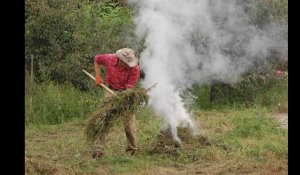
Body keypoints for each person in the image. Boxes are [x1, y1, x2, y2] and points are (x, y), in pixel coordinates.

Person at [92, 48, 140, 158]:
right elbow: (96, 59)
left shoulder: (135, 69)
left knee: (129, 123)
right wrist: (98, 76)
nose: (129, 65)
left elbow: (129, 89)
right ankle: (99, 149)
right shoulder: (109, 58)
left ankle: (132, 149)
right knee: (105, 119)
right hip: (110, 90)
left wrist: (120, 97)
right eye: (127, 63)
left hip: (126, 94)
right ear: (120, 60)